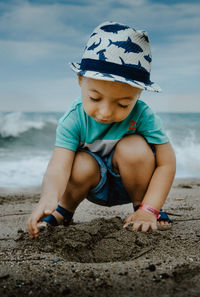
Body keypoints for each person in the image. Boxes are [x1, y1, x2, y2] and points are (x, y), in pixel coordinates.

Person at [27, 21, 176, 238]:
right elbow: (59, 167)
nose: (105, 113)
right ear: (80, 80)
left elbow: (167, 162)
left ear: (139, 94)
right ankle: (62, 211)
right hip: (91, 184)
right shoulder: (74, 118)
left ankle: (141, 210)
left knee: (133, 147)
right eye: (95, 98)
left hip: (133, 182)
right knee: (79, 163)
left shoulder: (143, 115)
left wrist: (151, 207)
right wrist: (48, 197)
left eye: (123, 104)